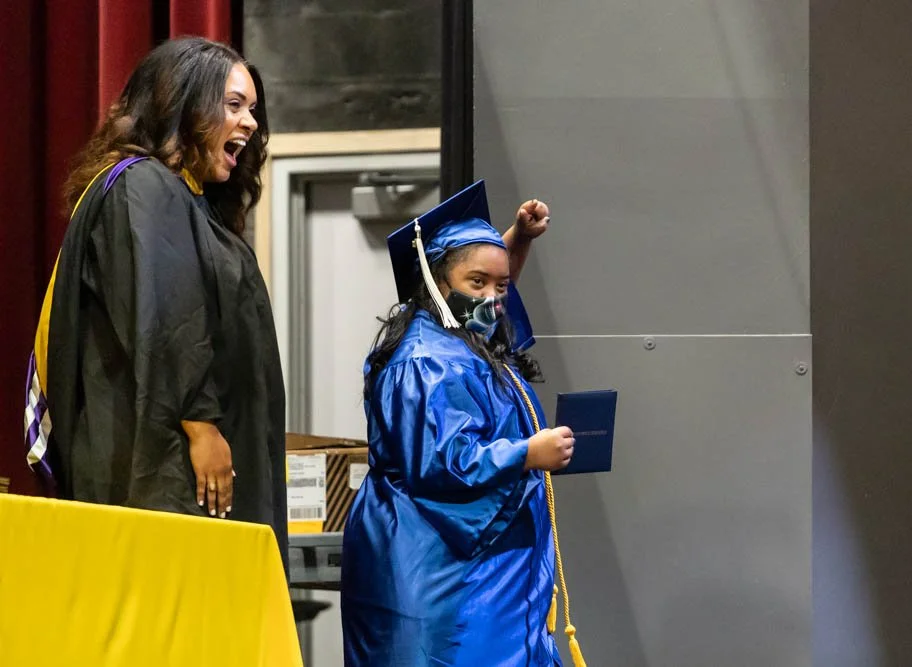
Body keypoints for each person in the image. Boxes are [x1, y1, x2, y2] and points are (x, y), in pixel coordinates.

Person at [23, 37, 287, 565]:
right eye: (234, 104)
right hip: (166, 466)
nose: (250, 122)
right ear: (184, 104)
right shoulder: (143, 186)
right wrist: (201, 425)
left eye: (252, 109)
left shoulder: (188, 200)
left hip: (186, 459)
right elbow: (167, 319)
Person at [341, 180, 581, 666]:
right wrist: (526, 453)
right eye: (477, 284)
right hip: (439, 569)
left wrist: (519, 238)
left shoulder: (466, 344)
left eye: (501, 287)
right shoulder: (425, 361)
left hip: (487, 570)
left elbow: (486, 282)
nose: (492, 299)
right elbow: (442, 462)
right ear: (436, 284)